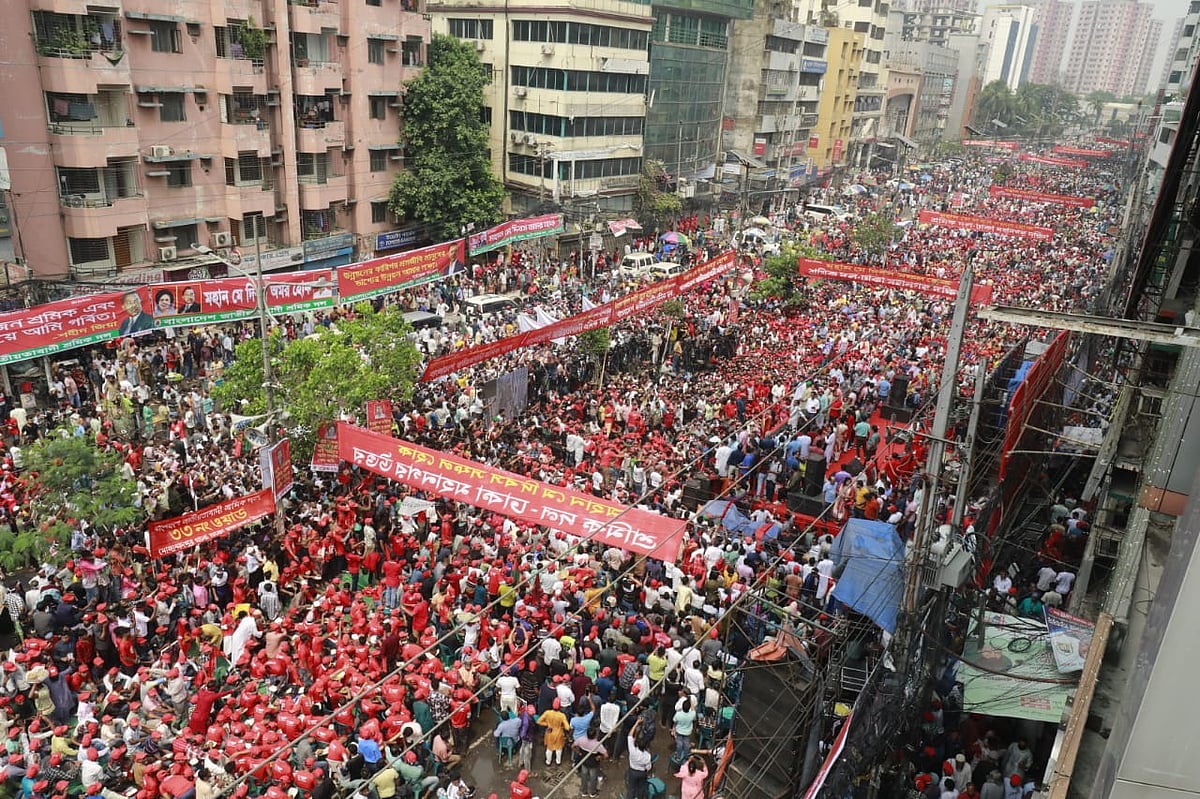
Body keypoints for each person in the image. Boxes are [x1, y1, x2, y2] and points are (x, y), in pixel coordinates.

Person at [626, 717, 653, 799]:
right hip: (642, 773)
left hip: (632, 771)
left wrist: (636, 723)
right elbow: (648, 767)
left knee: (631, 789)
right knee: (641, 789)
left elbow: (630, 735)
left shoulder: (632, 751)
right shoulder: (647, 756)